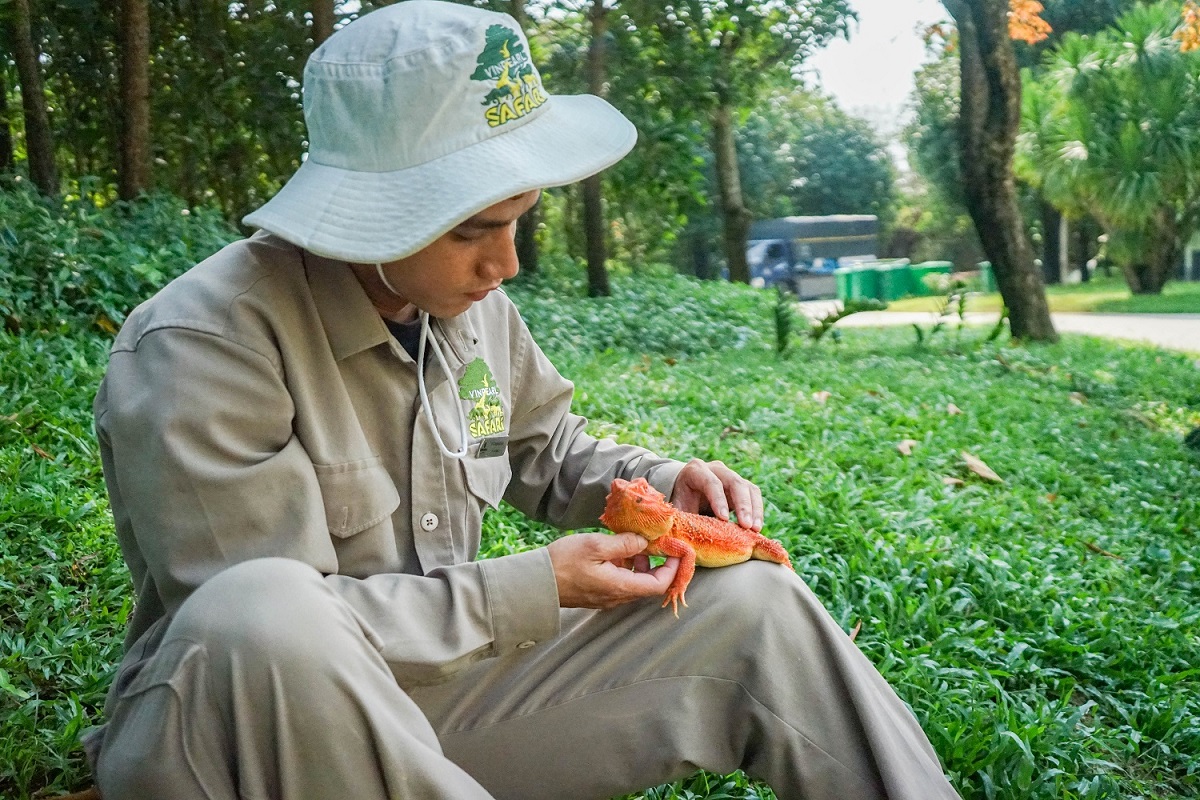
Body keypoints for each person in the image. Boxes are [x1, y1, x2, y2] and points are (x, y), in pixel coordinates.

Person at [84, 2, 961, 799]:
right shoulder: (207, 344)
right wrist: (530, 590)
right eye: (472, 230)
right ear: (371, 214)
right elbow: (265, 648)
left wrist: (661, 487)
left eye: (518, 221)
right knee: (263, 609)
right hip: (242, 748)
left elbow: (546, 451)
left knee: (753, 606)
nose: (505, 265)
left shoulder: (467, 309)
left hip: (435, 702)